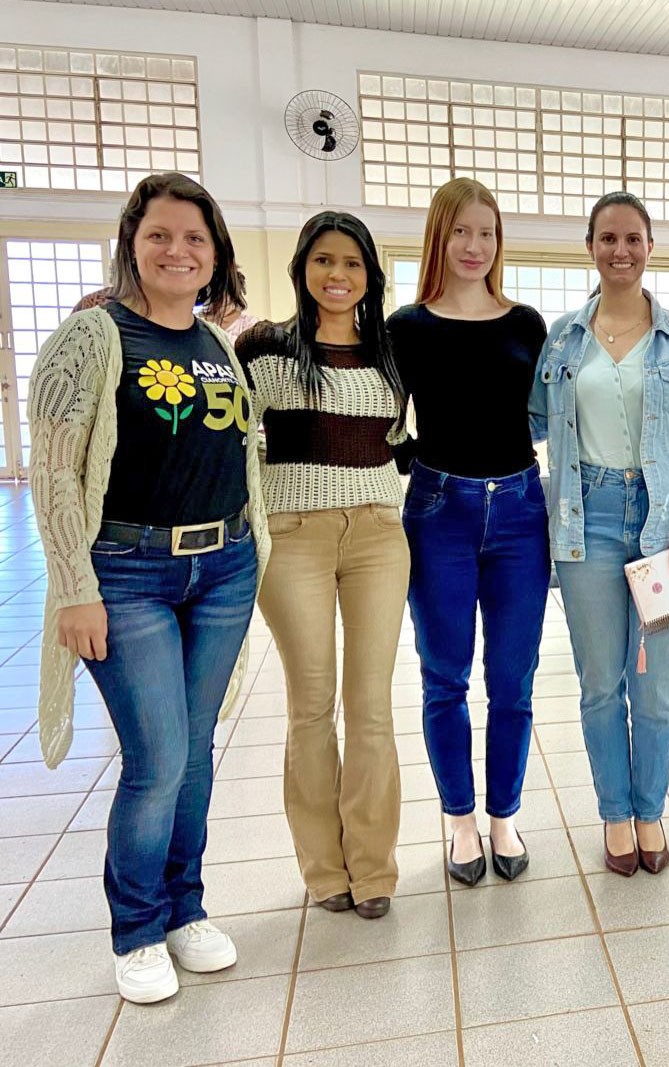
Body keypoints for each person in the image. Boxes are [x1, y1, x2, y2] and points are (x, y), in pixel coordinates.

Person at [29, 173, 266, 1003]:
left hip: (224, 568)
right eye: (159, 234)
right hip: (127, 574)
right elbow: (54, 470)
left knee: (195, 752)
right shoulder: (92, 336)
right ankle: (136, 926)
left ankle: (185, 908)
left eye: (195, 238)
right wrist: (74, 587)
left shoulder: (216, 345)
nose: (177, 250)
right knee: (157, 756)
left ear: (215, 255)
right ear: (132, 242)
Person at [532, 192, 669, 877]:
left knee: (658, 687)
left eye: (633, 238)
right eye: (608, 238)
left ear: (649, 247)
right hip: (585, 521)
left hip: (665, 524)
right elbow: (533, 421)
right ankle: (615, 812)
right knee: (600, 684)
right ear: (590, 247)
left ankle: (650, 810)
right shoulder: (563, 337)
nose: (621, 250)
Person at [237, 212, 407, 920]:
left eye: (352, 263)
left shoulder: (391, 353)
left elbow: (399, 441)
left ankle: (373, 868)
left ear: (370, 276)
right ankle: (323, 868)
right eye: (324, 260)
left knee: (371, 707)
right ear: (303, 268)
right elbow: (236, 443)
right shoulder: (264, 348)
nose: (338, 275)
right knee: (311, 707)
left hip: (379, 536)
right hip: (293, 538)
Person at [389, 178, 550, 887]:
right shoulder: (406, 328)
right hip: (439, 513)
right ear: (438, 236)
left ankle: (503, 815)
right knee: (444, 676)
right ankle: (459, 819)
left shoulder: (526, 325)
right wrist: (413, 465)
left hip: (520, 511)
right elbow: (382, 419)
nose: (474, 245)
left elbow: (553, 414)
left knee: (512, 680)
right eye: (460, 231)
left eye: (486, 232)